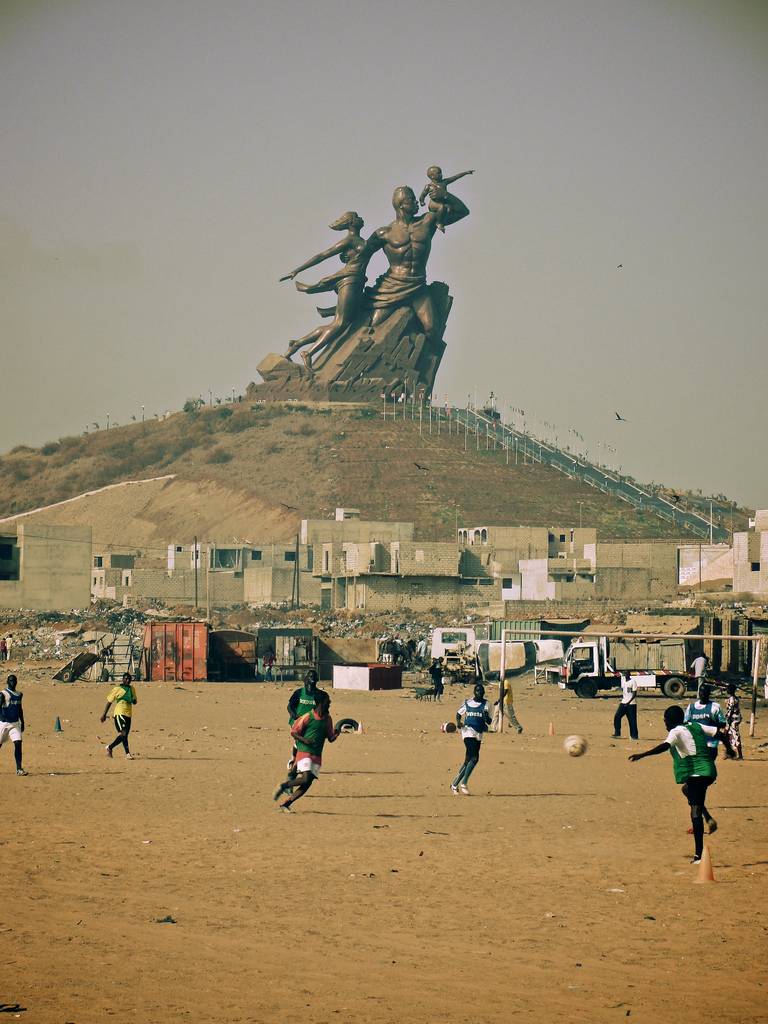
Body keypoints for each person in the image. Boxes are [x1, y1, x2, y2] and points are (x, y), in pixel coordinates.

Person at [629, 705, 728, 863]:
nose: (665, 723)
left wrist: (643, 754)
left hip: (697, 773)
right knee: (687, 790)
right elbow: (720, 734)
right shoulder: (695, 725)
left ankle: (698, 856)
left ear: (671, 721)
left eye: (665, 720)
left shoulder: (675, 731)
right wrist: (729, 749)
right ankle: (708, 818)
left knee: (695, 810)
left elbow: (665, 746)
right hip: (708, 771)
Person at [280, 211, 370, 370]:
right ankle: (309, 353)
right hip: (349, 280)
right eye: (356, 217)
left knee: (339, 321)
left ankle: (297, 344)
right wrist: (297, 270)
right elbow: (323, 255)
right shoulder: (350, 240)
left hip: (357, 282)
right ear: (350, 223)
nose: (360, 218)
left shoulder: (361, 240)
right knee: (340, 323)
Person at [273, 690, 338, 812]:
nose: (329, 705)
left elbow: (330, 738)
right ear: (319, 703)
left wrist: (336, 734)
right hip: (304, 752)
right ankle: (283, 786)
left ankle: (286, 804)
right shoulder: (308, 716)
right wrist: (305, 740)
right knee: (306, 778)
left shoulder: (328, 719)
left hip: (317, 755)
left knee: (307, 784)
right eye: (327, 703)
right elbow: (294, 732)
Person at [451, 683, 492, 795]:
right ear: (475, 692)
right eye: (478, 691)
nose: (480, 693)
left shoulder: (487, 704)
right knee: (474, 758)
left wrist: (485, 716)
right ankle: (464, 783)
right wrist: (458, 722)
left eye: (482, 691)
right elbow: (459, 713)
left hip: (479, 734)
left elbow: (489, 722)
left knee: (468, 760)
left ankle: (454, 784)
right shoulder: (467, 702)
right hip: (467, 732)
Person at [286, 670, 324, 773]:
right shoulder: (299, 692)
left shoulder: (319, 695)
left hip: (311, 724)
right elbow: (290, 706)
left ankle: (302, 763)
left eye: (314, 680)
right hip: (297, 723)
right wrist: (294, 716)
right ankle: (294, 761)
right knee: (299, 743)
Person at [419, 165, 475, 232]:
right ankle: (439, 223)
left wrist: (465, 173)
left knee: (449, 208)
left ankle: (442, 219)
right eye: (439, 173)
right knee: (442, 207)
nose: (441, 175)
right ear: (432, 176)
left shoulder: (444, 182)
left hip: (443, 202)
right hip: (433, 204)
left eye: (441, 173)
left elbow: (454, 177)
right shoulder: (428, 186)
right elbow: (422, 195)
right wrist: (422, 201)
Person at [684, 684, 731, 761]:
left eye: (705, 692)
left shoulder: (715, 707)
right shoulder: (691, 707)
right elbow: (685, 723)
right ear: (699, 693)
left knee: (707, 768)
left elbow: (723, 723)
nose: (703, 694)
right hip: (696, 744)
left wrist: (710, 724)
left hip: (711, 744)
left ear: (709, 693)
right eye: (701, 692)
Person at [101, 672, 138, 759]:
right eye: (126, 679)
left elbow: (135, 702)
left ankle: (109, 748)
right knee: (124, 733)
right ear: (123, 679)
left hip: (128, 714)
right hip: (119, 713)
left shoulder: (132, 689)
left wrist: (133, 700)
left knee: (124, 735)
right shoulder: (117, 688)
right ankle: (128, 754)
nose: (128, 680)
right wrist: (104, 715)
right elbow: (109, 702)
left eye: (129, 679)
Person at [0, 675, 26, 775]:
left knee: (18, 743)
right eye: (11, 681)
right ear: (7, 681)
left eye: (14, 680)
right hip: (4, 723)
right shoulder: (3, 694)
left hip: (15, 724)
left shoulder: (19, 694)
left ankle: (19, 769)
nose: (13, 682)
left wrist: (22, 722)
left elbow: (20, 709)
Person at [612, 671, 639, 740]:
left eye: (627, 674)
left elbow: (634, 694)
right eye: (624, 674)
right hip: (623, 703)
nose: (625, 675)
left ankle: (634, 736)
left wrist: (628, 702)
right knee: (617, 716)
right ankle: (617, 733)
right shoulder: (623, 682)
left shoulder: (633, 681)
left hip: (631, 704)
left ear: (629, 675)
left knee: (632, 720)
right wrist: (624, 701)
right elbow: (624, 692)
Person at [724, 683, 743, 760]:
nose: (727, 690)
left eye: (728, 689)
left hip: (732, 720)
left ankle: (740, 755)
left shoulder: (732, 699)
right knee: (728, 736)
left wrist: (728, 720)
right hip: (734, 719)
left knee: (734, 736)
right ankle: (729, 753)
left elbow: (731, 710)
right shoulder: (735, 698)